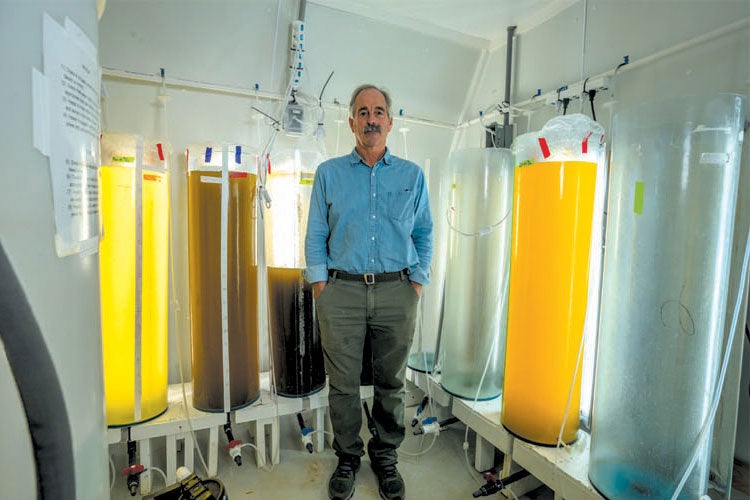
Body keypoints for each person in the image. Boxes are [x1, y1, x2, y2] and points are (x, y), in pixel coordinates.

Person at [304, 84, 433, 500]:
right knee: (341, 384)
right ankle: (347, 458)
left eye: (379, 111)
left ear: (391, 122)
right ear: (352, 122)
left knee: (391, 382)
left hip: (397, 291)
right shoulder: (329, 174)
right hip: (340, 292)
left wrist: (416, 280)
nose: (371, 119)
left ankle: (385, 456)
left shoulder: (412, 175)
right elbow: (316, 235)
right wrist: (321, 286)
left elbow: (424, 232)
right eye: (363, 112)